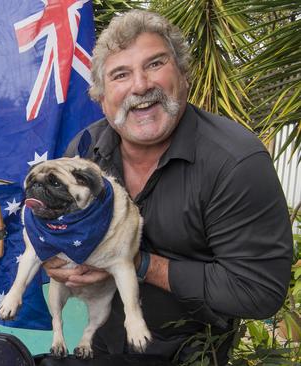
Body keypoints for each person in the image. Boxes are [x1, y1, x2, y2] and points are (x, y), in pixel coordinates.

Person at [44, 10, 293, 364]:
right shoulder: (85, 150)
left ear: (182, 74)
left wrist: (135, 261)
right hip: (102, 346)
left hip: (191, 355)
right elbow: (57, 228)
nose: (141, 85)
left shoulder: (235, 162)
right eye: (120, 75)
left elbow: (259, 292)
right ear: (101, 95)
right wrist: (52, 257)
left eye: (155, 64)